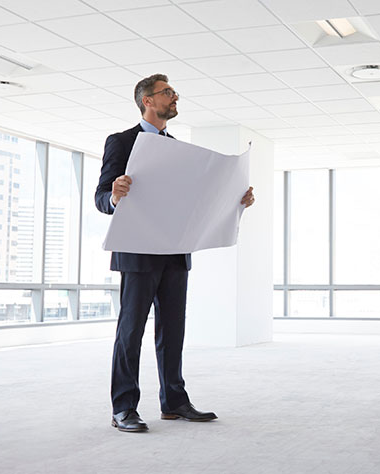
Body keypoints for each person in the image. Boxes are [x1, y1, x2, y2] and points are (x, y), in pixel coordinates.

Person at [95, 74, 255, 432]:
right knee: (130, 332)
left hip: (175, 251)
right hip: (137, 252)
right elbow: (101, 198)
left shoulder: (177, 146)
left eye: (173, 92)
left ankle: (174, 402)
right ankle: (124, 408)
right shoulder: (121, 142)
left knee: (173, 331)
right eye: (167, 92)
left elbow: (194, 200)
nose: (174, 96)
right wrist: (115, 195)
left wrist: (236, 200)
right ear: (147, 100)